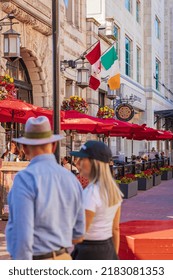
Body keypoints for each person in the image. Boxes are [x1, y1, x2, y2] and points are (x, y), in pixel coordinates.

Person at [5, 116, 85, 260]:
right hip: (64, 257)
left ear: (24, 148)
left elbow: (23, 234)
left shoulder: (25, 179)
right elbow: (79, 233)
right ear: (53, 145)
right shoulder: (71, 179)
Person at [70, 141, 123, 260]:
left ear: (93, 163)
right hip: (107, 247)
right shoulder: (113, 189)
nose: (78, 163)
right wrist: (114, 256)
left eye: (82, 159)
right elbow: (115, 228)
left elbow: (80, 234)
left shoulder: (91, 193)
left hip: (89, 251)